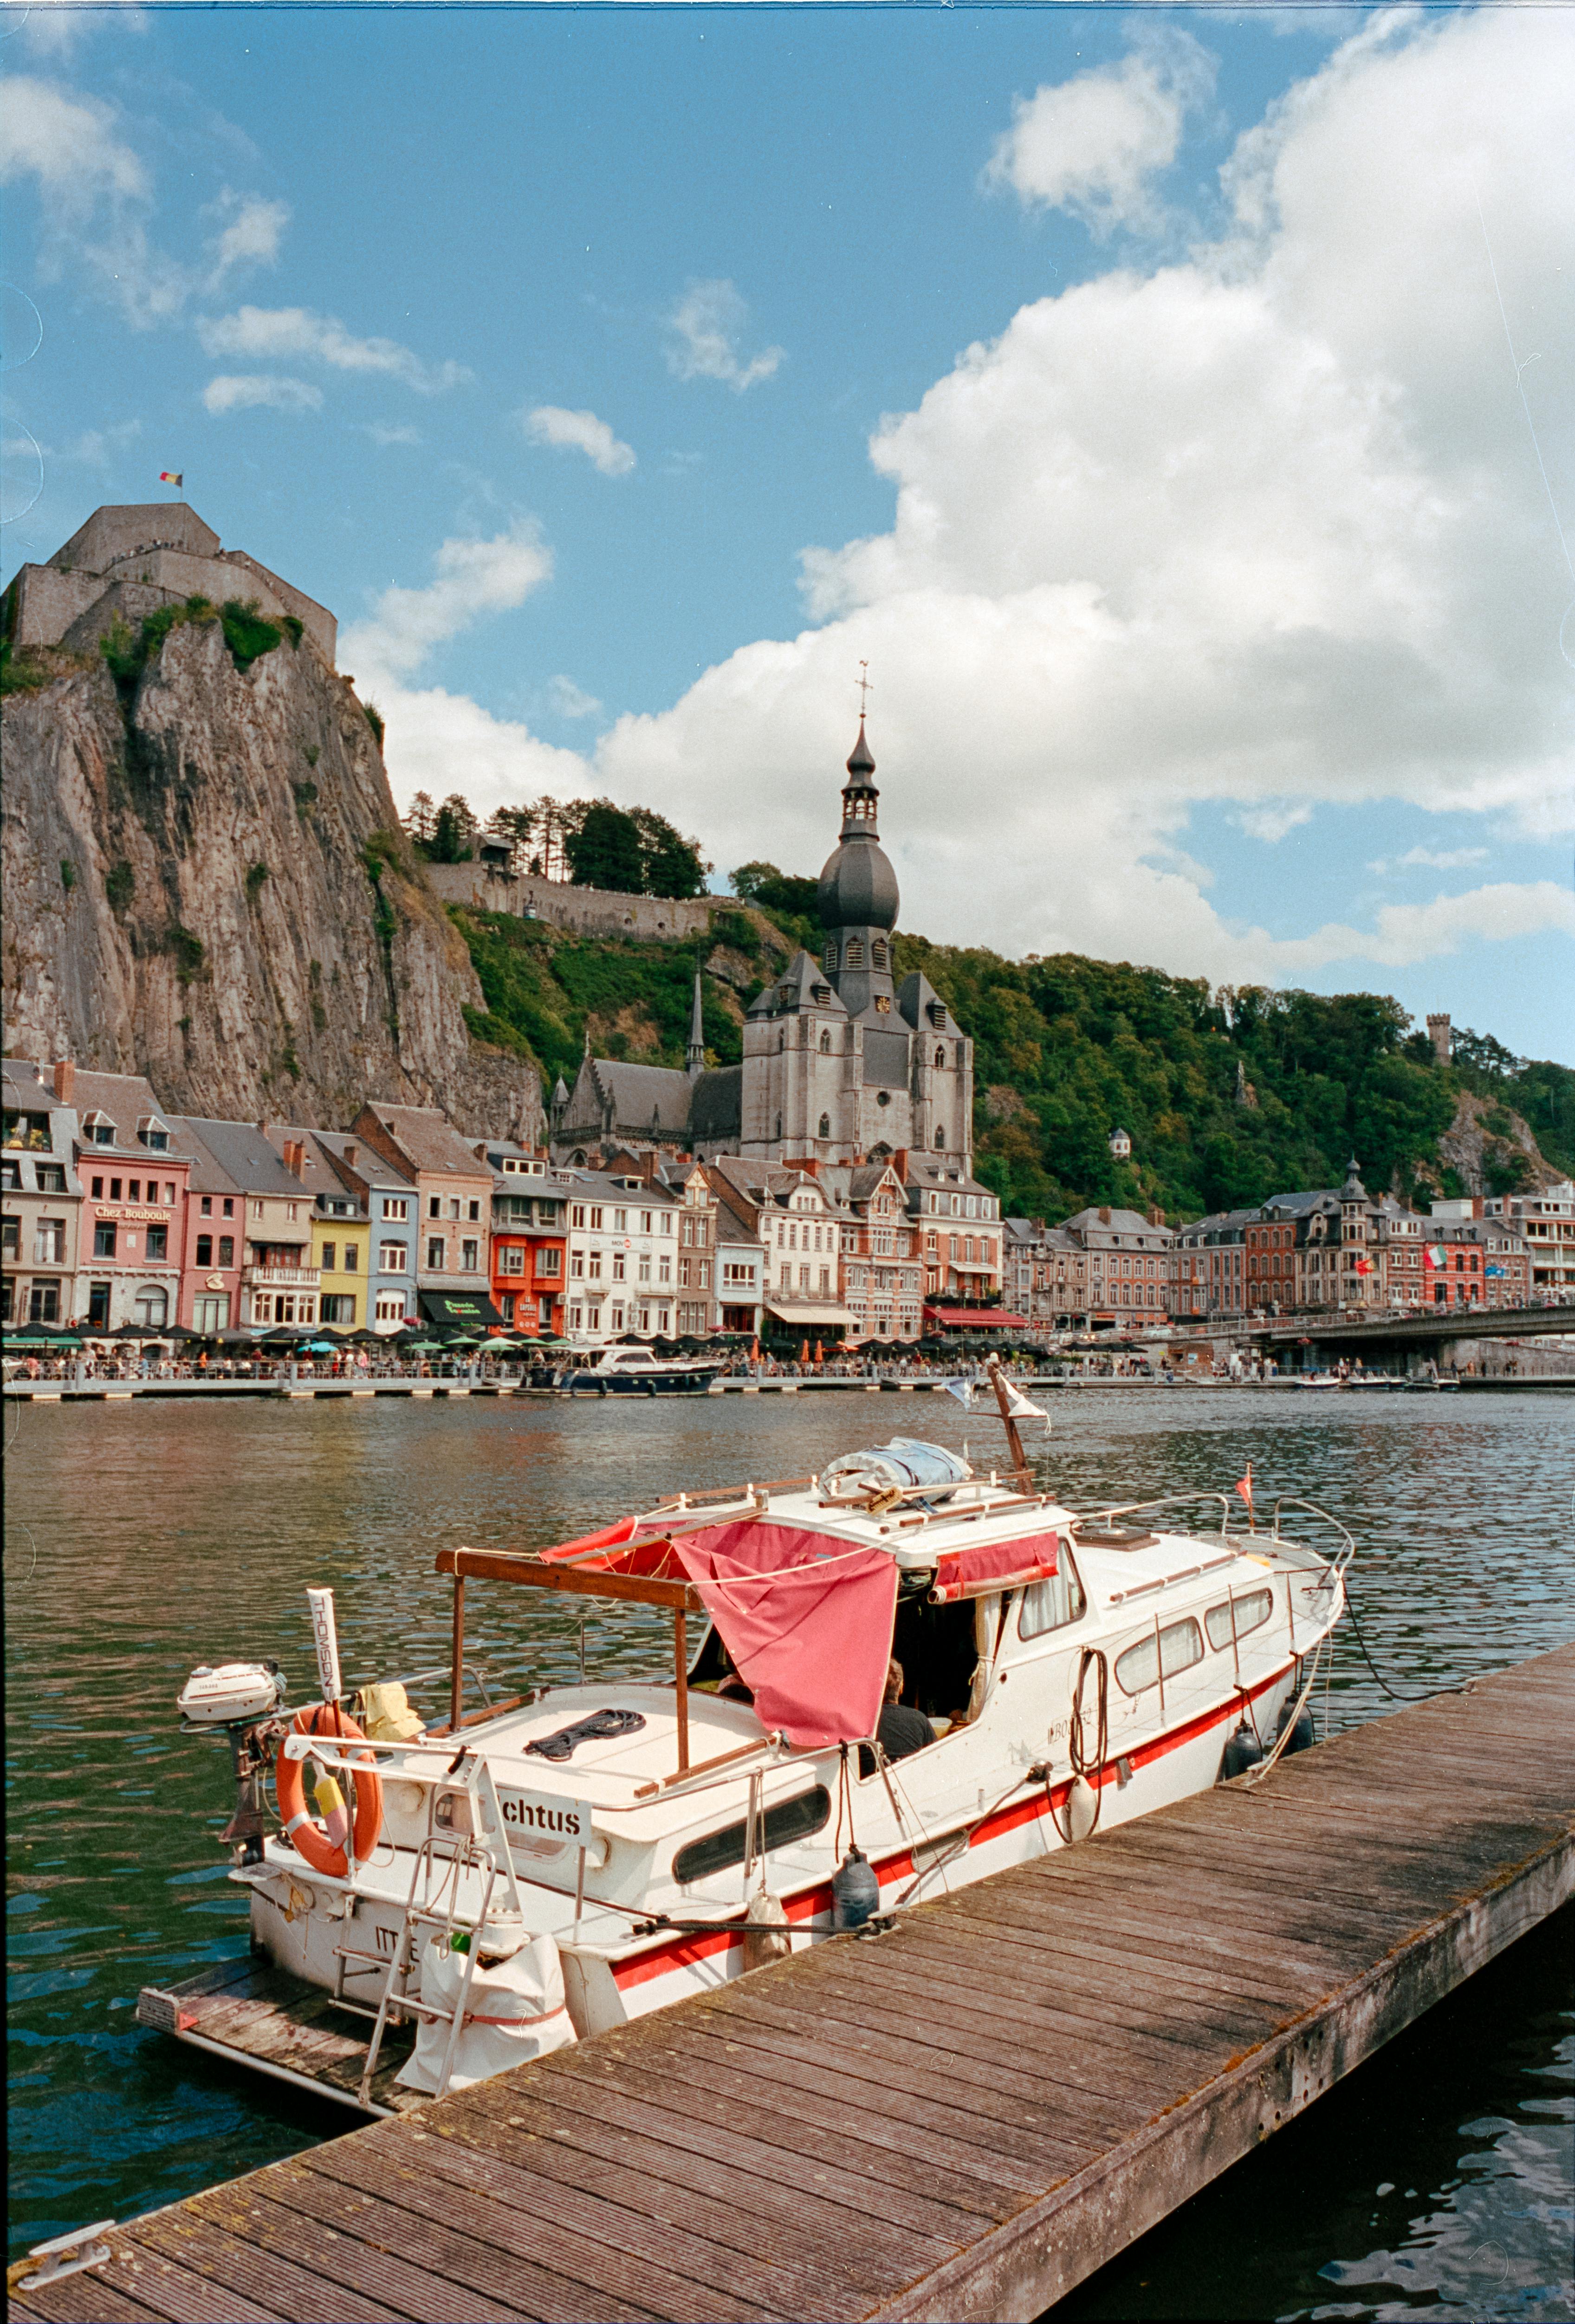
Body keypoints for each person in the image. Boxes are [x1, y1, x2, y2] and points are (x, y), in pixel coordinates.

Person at [861, 1659, 935, 1777]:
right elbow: (935, 1760)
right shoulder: (920, 1719)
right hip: (911, 1786)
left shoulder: (860, 1723)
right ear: (901, 1688)